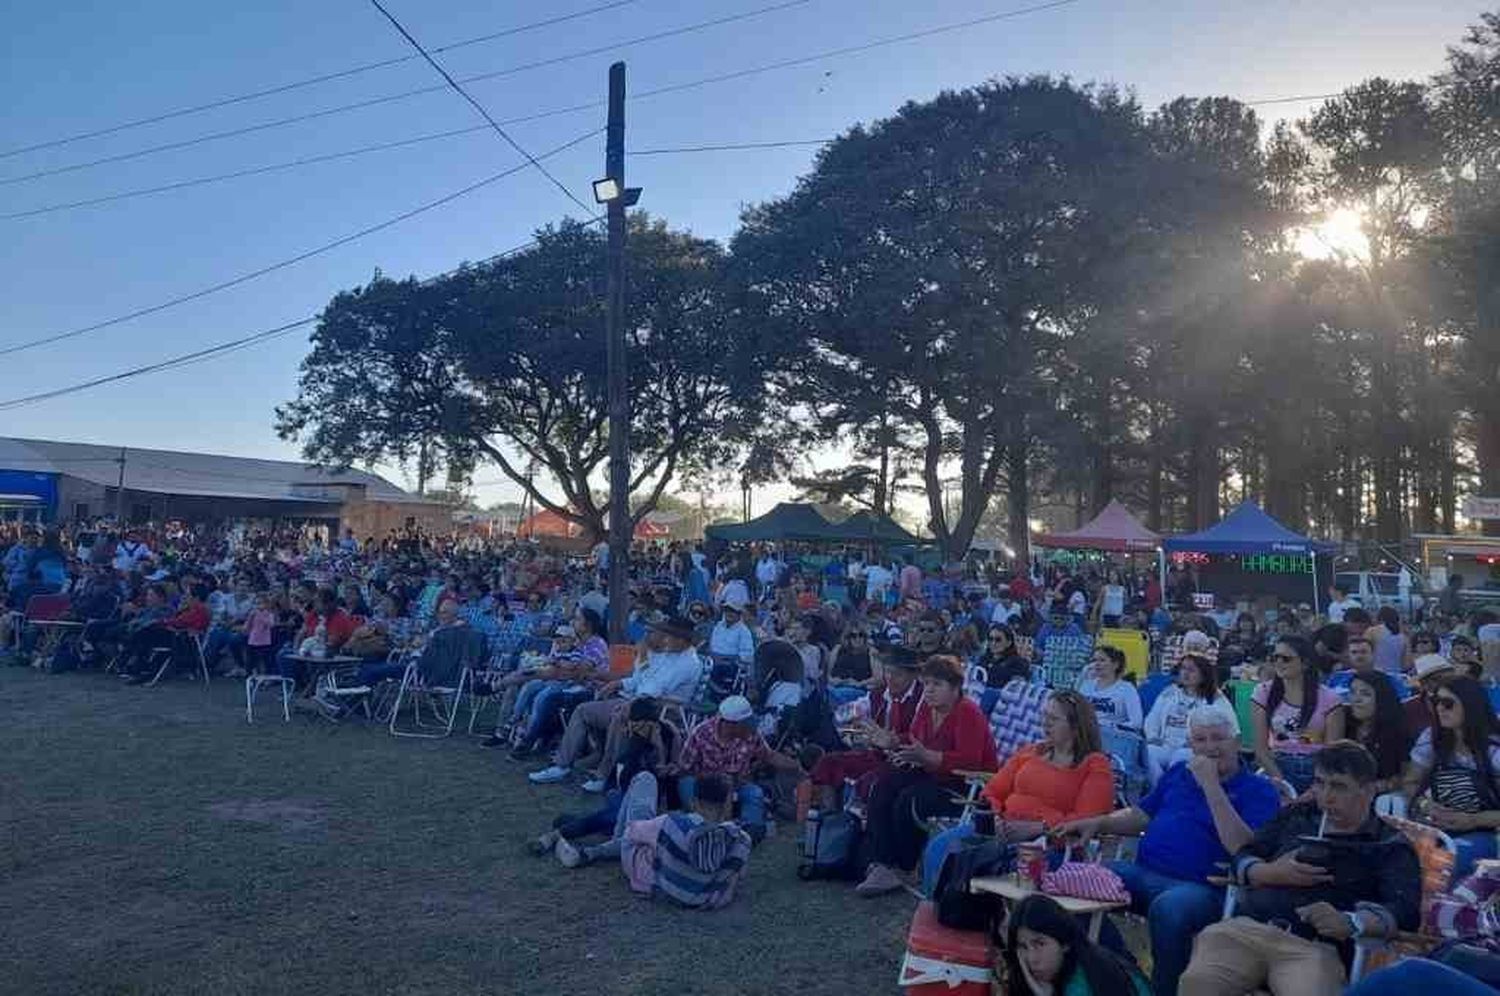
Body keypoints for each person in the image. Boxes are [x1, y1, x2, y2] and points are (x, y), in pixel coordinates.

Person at [1063, 708, 1280, 996]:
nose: (1210, 747)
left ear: (1237, 742)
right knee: (1075, 881)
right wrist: (1099, 822)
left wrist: (1212, 787)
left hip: (1204, 888)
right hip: (1144, 872)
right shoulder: (1179, 773)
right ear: (1191, 745)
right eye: (1200, 740)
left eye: (1218, 738)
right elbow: (1141, 815)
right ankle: (1124, 974)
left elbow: (1243, 848)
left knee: (1170, 909)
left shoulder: (1259, 790)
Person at [1178, 742, 1422, 996]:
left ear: (1368, 791)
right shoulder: (1299, 816)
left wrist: (1352, 921)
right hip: (1247, 930)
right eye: (1319, 783)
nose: (1326, 796)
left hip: (1313, 947)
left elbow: (1404, 911)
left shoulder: (1387, 845)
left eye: (1339, 786)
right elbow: (1246, 852)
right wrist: (1268, 873)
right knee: (1198, 984)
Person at [854, 655, 999, 895]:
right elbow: (914, 739)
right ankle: (884, 864)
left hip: (965, 785)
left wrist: (927, 757)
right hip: (931, 773)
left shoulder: (968, 713)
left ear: (955, 688)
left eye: (937, 685)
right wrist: (892, 741)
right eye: (927, 684)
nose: (929, 690)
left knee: (910, 799)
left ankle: (906, 868)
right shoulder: (926, 707)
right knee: (883, 785)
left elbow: (969, 761)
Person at [529, 614, 703, 785]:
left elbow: (655, 691)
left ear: (681, 640)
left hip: (662, 710)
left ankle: (603, 774)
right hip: (639, 700)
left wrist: (630, 698)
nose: (665, 640)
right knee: (584, 709)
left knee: (617, 716)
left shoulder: (688, 663)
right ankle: (562, 764)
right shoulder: (668, 654)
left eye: (669, 636)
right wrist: (617, 684)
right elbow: (640, 680)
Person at [807, 642, 925, 810]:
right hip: (878, 755)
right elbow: (843, 714)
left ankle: (860, 824)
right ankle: (830, 817)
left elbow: (923, 736)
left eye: (897, 674)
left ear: (913, 675)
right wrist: (856, 725)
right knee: (828, 762)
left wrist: (896, 740)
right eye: (887, 672)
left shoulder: (923, 698)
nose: (890, 678)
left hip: (908, 763)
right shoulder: (879, 694)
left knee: (871, 781)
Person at [1404, 676, 1500, 878]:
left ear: (1470, 705)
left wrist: (1472, 820)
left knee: (1442, 862)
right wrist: (1425, 806)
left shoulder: (1495, 751)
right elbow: (1410, 782)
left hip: (1489, 831)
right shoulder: (1432, 739)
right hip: (1437, 826)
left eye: (1448, 703)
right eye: (1436, 701)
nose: (1440, 708)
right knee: (1398, 855)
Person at [675, 695, 803, 842]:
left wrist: (797, 766)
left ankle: (748, 834)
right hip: (703, 783)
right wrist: (714, 780)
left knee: (754, 792)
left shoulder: (751, 734)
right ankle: (700, 828)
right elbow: (684, 769)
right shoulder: (701, 733)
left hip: (736, 784)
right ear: (732, 724)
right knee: (687, 784)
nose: (752, 726)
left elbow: (769, 756)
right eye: (747, 722)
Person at [1003, 894, 1151, 996]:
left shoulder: (1081, 983)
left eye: (1040, 944)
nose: (1031, 958)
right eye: (1023, 946)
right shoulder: (1047, 971)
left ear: (1065, 943)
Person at [1252, 634, 1345, 795]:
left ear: (1305, 663)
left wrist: (1316, 788)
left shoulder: (1330, 699)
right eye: (1275, 657)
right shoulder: (1263, 692)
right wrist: (1283, 785)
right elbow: (1260, 750)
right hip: (1277, 763)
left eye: (1286, 658)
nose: (1279, 662)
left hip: (1317, 767)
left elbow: (1331, 752)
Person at [1143, 652, 1240, 787]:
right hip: (1165, 744)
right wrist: (1152, 737)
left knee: (1180, 758)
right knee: (1147, 752)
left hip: (1194, 748)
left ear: (1203, 674)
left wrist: (1200, 743)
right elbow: (1152, 718)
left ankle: (1170, 790)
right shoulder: (1170, 692)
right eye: (1183, 668)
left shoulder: (1215, 698)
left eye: (1191, 670)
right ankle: (1160, 787)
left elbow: (1232, 729)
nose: (1185, 673)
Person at [1345, 671, 1410, 798]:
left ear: (1382, 698)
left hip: (1382, 799)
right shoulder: (1345, 722)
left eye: (1365, 694)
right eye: (1352, 692)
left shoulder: (1397, 731)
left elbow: (1407, 776)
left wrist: (1379, 786)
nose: (1356, 699)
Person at [1076, 645, 1142, 733]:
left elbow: (1137, 723)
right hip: (1085, 734)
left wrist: (1111, 727)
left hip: (1112, 735)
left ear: (1115, 665)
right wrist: (1082, 675)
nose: (1097, 664)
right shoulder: (1086, 686)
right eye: (1094, 660)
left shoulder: (1127, 689)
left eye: (1102, 660)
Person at [1328, 635, 1410, 701]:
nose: (1359, 656)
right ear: (1348, 656)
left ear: (1373, 654)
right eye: (1354, 652)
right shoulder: (1336, 678)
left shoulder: (1391, 680)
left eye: (1363, 652)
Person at [1368, 606, 1410, 677]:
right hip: (1397, 674)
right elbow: (1407, 664)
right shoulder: (1404, 636)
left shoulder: (1372, 631)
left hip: (1377, 673)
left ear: (1380, 617)